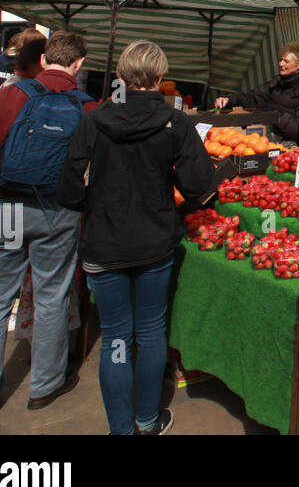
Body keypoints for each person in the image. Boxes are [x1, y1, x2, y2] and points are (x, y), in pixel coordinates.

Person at [57, 40, 216, 435]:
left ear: (119, 77)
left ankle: (121, 430)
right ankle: (147, 420)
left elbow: (69, 190)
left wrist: (94, 197)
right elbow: (199, 184)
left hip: (104, 242)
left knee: (115, 337)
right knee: (149, 332)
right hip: (154, 244)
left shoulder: (92, 119)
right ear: (161, 80)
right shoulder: (174, 123)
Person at [0, 31, 96, 429]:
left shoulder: (9, 96)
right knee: (52, 296)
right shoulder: (87, 108)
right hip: (57, 213)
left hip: (2, 207)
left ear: (44, 58)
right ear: (78, 64)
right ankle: (45, 386)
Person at [213, 41, 299, 144]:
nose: (280, 64)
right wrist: (230, 100)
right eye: (281, 60)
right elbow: (252, 98)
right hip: (282, 145)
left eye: (286, 61)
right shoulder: (276, 84)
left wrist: (276, 115)